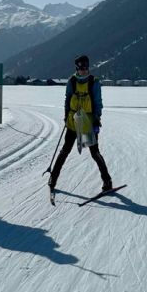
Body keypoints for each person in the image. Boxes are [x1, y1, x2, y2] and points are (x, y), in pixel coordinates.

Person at [48, 55, 113, 193]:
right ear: (77, 68)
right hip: (73, 120)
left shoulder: (94, 82)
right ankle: (53, 178)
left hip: (87, 122)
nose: (83, 70)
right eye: (81, 68)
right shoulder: (71, 81)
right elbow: (67, 99)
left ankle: (107, 180)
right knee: (65, 150)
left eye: (85, 67)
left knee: (94, 153)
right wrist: (66, 116)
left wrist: (96, 119)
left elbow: (98, 102)